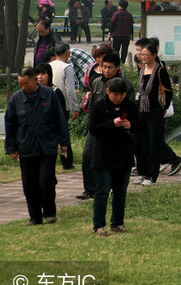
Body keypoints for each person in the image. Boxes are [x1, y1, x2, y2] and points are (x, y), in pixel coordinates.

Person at [5, 67, 70, 225]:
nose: (23, 87)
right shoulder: (16, 99)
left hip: (47, 146)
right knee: (29, 183)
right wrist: (11, 148)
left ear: (35, 80)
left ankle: (49, 212)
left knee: (46, 180)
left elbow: (60, 119)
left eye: (26, 83)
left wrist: (64, 142)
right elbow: (10, 125)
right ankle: (34, 216)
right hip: (26, 147)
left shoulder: (49, 95)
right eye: (20, 84)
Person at [87, 75, 138, 237]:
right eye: (115, 94)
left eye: (121, 95)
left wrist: (131, 125)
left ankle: (117, 222)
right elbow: (93, 128)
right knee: (102, 191)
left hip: (123, 155)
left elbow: (140, 125)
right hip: (103, 155)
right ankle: (99, 225)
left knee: (120, 191)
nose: (118, 98)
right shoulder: (99, 106)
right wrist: (111, 124)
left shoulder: (129, 106)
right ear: (108, 91)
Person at [132, 38, 181, 185]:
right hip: (142, 110)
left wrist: (164, 108)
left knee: (153, 143)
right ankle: (142, 172)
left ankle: (151, 175)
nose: (143, 57)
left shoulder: (160, 70)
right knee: (139, 142)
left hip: (155, 111)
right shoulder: (142, 69)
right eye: (142, 54)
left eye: (146, 54)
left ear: (154, 55)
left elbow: (168, 91)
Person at [78, 52, 122, 201]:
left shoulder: (122, 85)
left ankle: (110, 189)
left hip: (113, 128)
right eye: (104, 67)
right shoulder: (96, 82)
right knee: (87, 156)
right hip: (96, 127)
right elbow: (91, 107)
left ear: (117, 68)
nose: (107, 70)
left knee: (108, 159)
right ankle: (89, 189)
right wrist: (87, 127)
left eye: (110, 67)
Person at [110, 0, 135, 64]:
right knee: (124, 50)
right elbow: (131, 26)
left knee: (116, 49)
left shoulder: (116, 14)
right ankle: (122, 61)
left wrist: (110, 32)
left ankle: (116, 61)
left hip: (117, 35)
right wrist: (131, 34)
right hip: (126, 35)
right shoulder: (129, 15)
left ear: (120, 6)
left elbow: (112, 24)